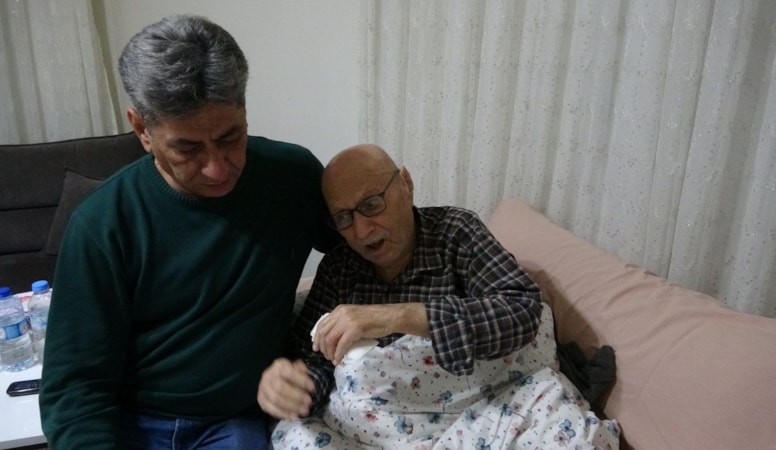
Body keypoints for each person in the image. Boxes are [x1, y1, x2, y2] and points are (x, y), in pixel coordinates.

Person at [38, 15, 337, 449]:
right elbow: (75, 388)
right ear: (142, 129)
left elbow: (372, 256)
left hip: (231, 420)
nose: (217, 168)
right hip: (132, 420)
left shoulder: (293, 178)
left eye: (231, 137)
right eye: (187, 148)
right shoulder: (102, 224)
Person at [258, 144, 621, 449]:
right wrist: (294, 386)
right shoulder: (339, 267)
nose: (363, 230)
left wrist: (397, 316)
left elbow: (521, 311)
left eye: (371, 204)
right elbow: (312, 358)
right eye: (343, 218)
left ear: (405, 184)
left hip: (477, 417)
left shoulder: (456, 233)